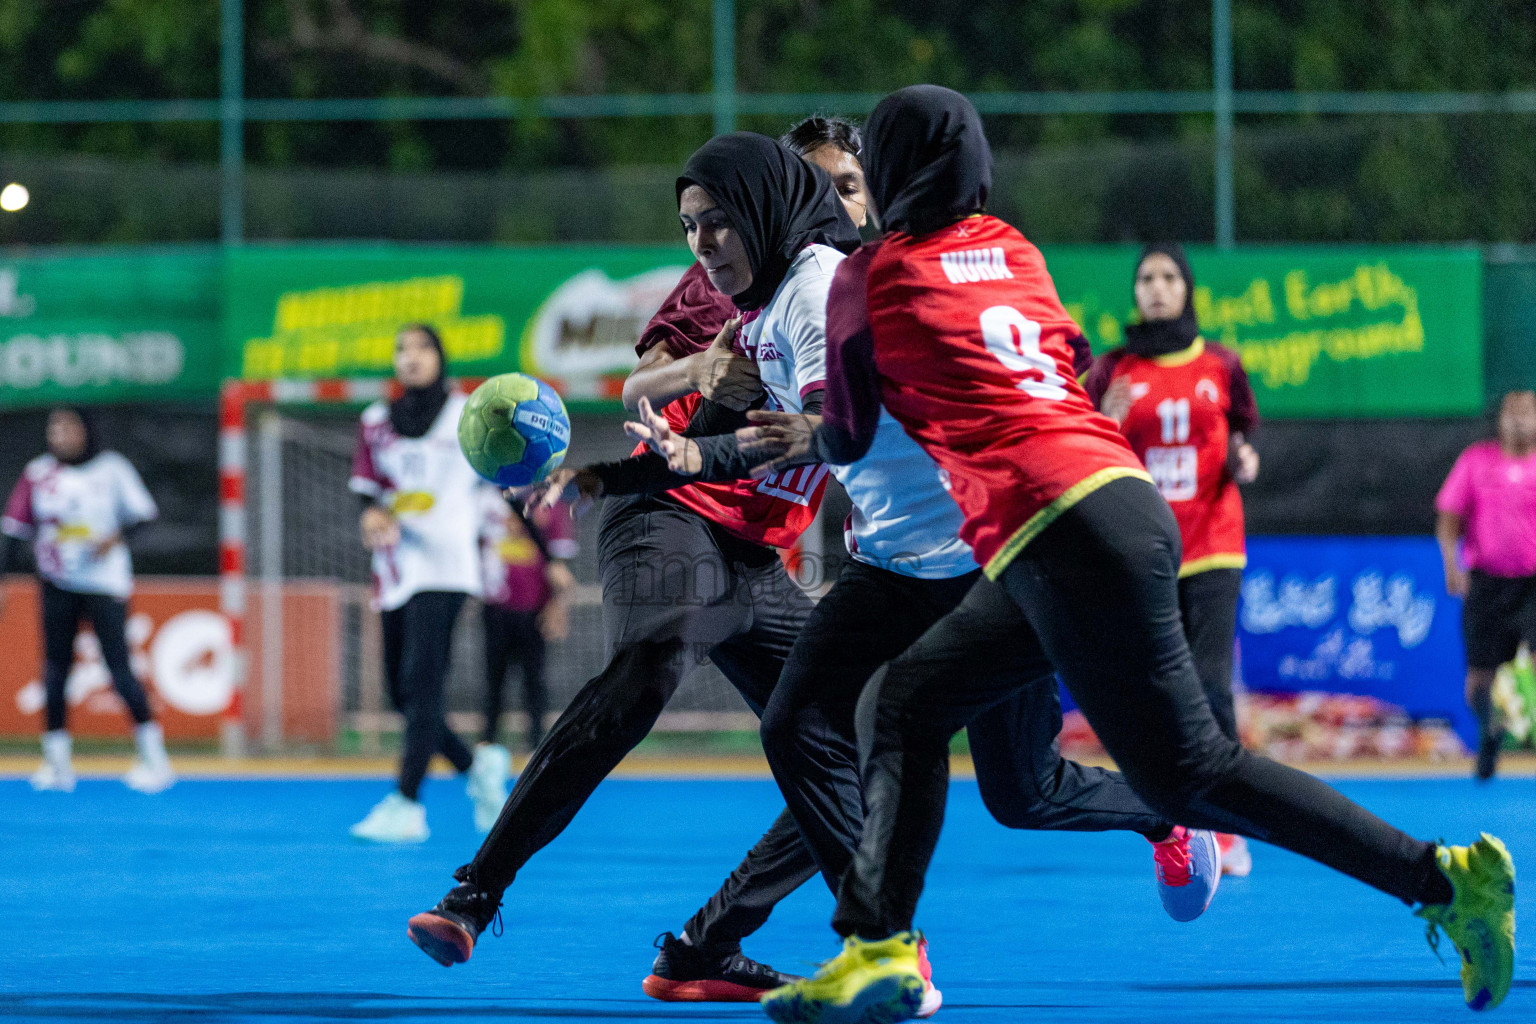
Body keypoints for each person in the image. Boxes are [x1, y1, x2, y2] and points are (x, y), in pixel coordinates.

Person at [755, 86, 1514, 1023]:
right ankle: (879, 950)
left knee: (1185, 768)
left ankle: (1448, 880)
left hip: (1056, 526)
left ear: (895, 174)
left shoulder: (865, 276)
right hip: (1114, 504)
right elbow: (1059, 364)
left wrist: (794, 431)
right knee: (918, 705)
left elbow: (849, 431)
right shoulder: (1019, 252)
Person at [625, 117, 1222, 1014]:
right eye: (817, 190)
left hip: (991, 561)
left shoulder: (901, 278)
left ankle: (1163, 810)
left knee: (1023, 792)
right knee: (822, 733)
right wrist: (673, 445)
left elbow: (888, 406)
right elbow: (688, 392)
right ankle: (853, 943)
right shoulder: (795, 295)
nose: (835, 206)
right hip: (900, 569)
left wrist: (814, 424)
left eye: (851, 189)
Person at [404, 134, 860, 994]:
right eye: (693, 226)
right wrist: (702, 370)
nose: (703, 241)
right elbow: (637, 389)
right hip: (670, 509)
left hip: (758, 551)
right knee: (654, 659)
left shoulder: (864, 286)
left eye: (848, 184)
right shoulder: (735, 276)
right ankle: (473, 893)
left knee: (854, 745)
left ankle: (705, 946)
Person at [1084, 243, 1261, 877]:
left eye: (1168, 277)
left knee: (1210, 683)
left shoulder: (1222, 364)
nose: (1157, 288)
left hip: (1213, 541)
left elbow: (1242, 437)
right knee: (1153, 690)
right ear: (1135, 292)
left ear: (1186, 289)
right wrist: (1104, 420)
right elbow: (1080, 449)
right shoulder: (1113, 371)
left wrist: (1244, 460)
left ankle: (1230, 823)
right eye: (1146, 278)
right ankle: (1175, 818)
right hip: (1140, 549)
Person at [348, 324, 505, 843]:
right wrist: (371, 514)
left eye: (421, 348)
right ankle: (473, 768)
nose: (410, 357)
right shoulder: (375, 422)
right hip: (397, 569)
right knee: (402, 694)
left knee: (423, 682)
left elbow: (503, 477)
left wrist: (546, 555)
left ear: (441, 357)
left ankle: (407, 803)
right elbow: (367, 492)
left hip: (447, 566)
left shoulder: (470, 414)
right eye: (401, 349)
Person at [0, 407, 173, 793]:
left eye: (68, 427)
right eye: (54, 428)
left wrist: (114, 538)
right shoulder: (38, 474)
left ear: (86, 432)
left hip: (104, 583)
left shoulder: (112, 469)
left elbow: (145, 516)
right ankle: (57, 762)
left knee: (118, 668)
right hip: (56, 582)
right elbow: (14, 529)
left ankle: (154, 757)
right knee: (55, 670)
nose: (60, 435)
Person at [1436, 389, 1536, 781]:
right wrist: (1450, 564)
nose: (1519, 419)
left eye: (1528, 412)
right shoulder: (1476, 461)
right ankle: (1490, 730)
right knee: (1479, 681)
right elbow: (1448, 515)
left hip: (1533, 585)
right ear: (1500, 419)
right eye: (1512, 411)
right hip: (1488, 585)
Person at [470, 487, 576, 830]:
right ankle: (486, 758)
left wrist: (557, 607)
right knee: (493, 684)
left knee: (535, 682)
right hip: (495, 606)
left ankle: (537, 757)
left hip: (534, 609)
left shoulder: (551, 504)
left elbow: (560, 565)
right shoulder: (486, 500)